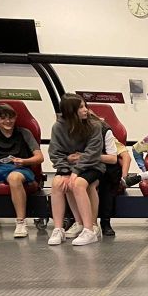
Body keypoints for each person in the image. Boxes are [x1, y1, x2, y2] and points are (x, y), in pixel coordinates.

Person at [0, 103, 44, 238]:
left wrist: (23, 161)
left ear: (15, 117)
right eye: (3, 118)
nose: (8, 121)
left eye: (11, 117)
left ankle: (21, 222)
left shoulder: (24, 133)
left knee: (14, 178)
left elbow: (39, 157)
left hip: (21, 168)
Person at [47, 93, 103, 246]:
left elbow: (92, 153)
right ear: (70, 111)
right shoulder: (58, 127)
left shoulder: (94, 126)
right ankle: (58, 229)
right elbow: (55, 153)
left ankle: (89, 229)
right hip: (68, 166)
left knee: (77, 184)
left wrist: (75, 171)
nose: (86, 110)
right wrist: (66, 171)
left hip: (92, 166)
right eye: (81, 108)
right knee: (57, 183)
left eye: (85, 106)